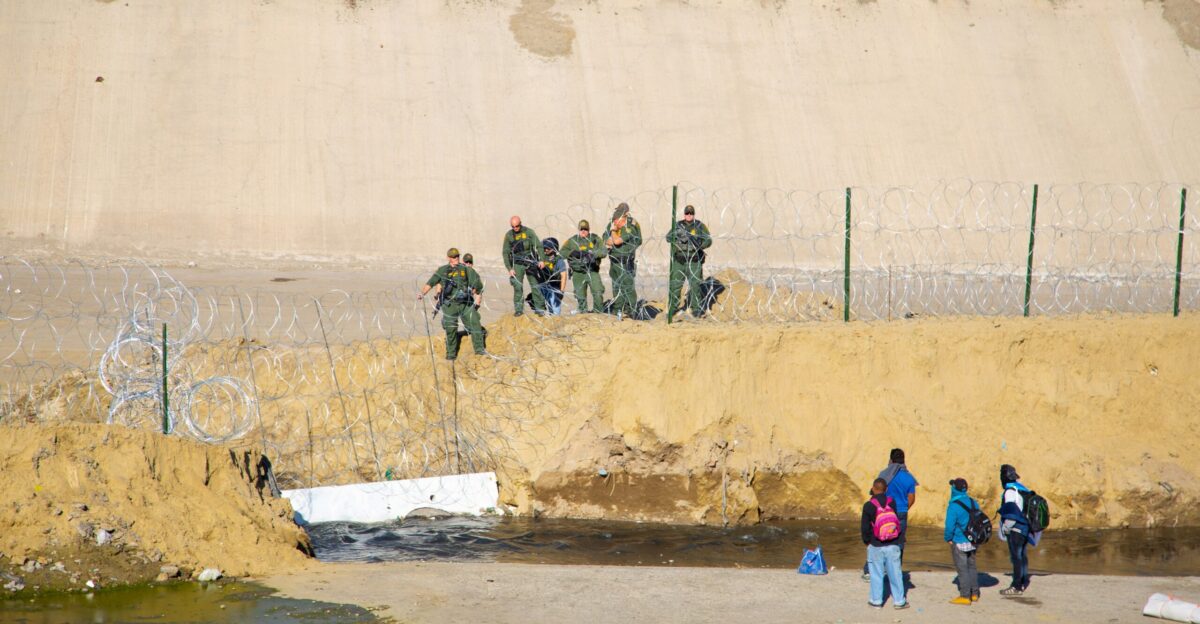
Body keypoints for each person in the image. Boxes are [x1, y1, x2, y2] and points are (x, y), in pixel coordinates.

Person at [417, 248, 485, 360]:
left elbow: (477, 284)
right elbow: (431, 282)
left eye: (457, 256)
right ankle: (451, 354)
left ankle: (480, 351)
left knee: (475, 324)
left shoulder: (466, 269)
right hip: (450, 304)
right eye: (453, 257)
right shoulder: (442, 270)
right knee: (451, 328)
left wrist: (474, 291)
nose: (456, 258)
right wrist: (422, 293)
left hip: (465, 303)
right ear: (448, 258)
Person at [863, 448, 918, 577]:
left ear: (891, 460)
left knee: (878, 538)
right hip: (901, 513)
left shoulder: (885, 475)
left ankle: (869, 570)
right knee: (899, 542)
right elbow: (911, 498)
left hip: (884, 512)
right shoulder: (909, 478)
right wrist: (903, 508)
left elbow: (878, 493)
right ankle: (895, 570)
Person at [861, 478, 909, 610]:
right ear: (886, 489)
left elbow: (865, 528)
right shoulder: (891, 502)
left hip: (876, 544)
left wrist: (867, 542)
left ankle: (876, 601)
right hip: (893, 543)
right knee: (896, 573)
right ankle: (899, 601)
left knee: (876, 573)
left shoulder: (868, 505)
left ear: (873, 488)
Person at [666, 205, 713, 319]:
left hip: (694, 261)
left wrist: (700, 246)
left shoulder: (700, 226)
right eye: (687, 213)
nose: (689, 215)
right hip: (679, 261)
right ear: (684, 214)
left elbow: (708, 240)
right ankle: (673, 308)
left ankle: (696, 309)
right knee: (675, 285)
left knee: (695, 285)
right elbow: (668, 237)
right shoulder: (678, 225)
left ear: (694, 214)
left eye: (691, 213)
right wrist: (677, 237)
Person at [998, 464, 1037, 595]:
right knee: (1022, 556)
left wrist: (1005, 529)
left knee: (1016, 557)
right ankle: (1023, 581)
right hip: (1025, 527)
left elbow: (1012, 513)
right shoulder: (1021, 489)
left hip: (1016, 529)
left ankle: (1016, 586)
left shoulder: (1010, 492)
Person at [944, 477, 981, 605]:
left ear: (954, 489)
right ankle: (975, 593)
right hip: (973, 540)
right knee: (972, 566)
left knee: (962, 569)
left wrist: (948, 538)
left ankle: (965, 596)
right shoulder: (973, 502)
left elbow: (949, 526)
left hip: (959, 540)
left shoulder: (953, 506)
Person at [502, 216, 547, 316]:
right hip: (518, 264)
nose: (515, 228)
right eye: (513, 227)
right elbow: (505, 253)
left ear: (520, 223)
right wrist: (509, 268)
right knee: (517, 287)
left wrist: (542, 260)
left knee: (535, 285)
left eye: (517, 226)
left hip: (530, 262)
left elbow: (538, 246)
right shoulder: (509, 235)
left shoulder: (529, 232)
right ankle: (519, 309)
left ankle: (539, 308)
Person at [603, 203, 642, 318]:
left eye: (616, 220)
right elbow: (605, 238)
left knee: (627, 285)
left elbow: (617, 241)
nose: (614, 222)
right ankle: (618, 309)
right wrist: (610, 239)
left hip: (625, 260)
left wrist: (613, 233)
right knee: (616, 286)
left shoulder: (630, 226)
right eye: (614, 219)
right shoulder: (613, 222)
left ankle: (632, 310)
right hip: (614, 260)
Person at [560, 220, 606, 313]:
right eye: (581, 229)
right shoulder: (572, 241)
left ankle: (598, 312)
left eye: (585, 229)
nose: (583, 231)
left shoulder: (595, 239)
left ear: (589, 229)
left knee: (598, 292)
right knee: (580, 295)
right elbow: (561, 253)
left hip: (592, 271)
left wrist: (593, 254)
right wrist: (573, 253)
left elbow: (604, 251)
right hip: (578, 273)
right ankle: (582, 312)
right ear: (579, 230)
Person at [534, 238, 569, 315]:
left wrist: (561, 291)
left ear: (554, 249)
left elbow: (563, 276)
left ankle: (555, 319)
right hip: (542, 284)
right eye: (544, 248)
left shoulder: (559, 261)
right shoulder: (541, 258)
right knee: (539, 304)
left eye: (548, 248)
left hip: (554, 286)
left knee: (555, 307)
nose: (545, 250)